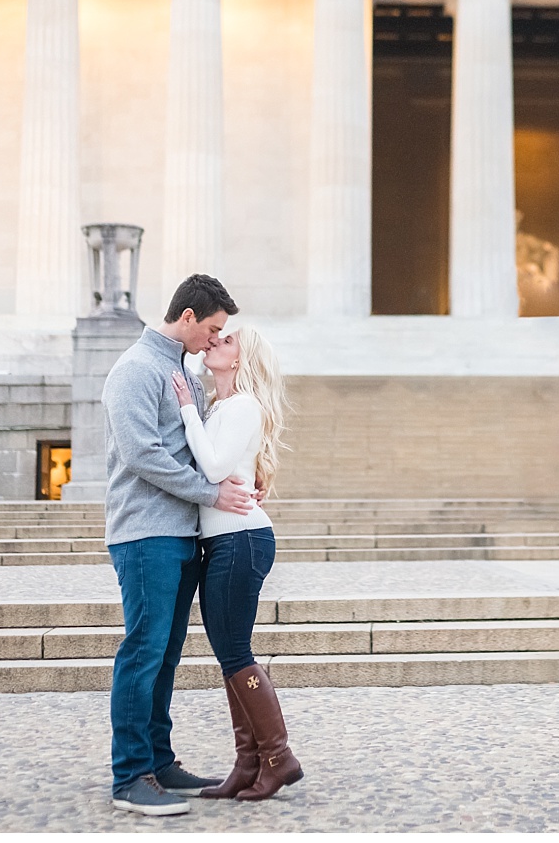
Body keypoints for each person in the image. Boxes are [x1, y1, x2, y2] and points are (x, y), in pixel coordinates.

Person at [101, 274, 259, 817]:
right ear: (188, 317)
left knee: (165, 655)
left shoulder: (180, 370)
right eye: (212, 328)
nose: (213, 340)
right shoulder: (135, 370)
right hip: (145, 533)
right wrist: (212, 493)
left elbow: (199, 448)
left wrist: (239, 480)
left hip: (181, 534)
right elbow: (143, 455)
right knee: (143, 651)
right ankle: (129, 777)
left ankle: (159, 761)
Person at [173, 317, 303, 801]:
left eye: (224, 340)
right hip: (226, 541)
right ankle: (248, 763)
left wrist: (187, 409)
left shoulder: (243, 405)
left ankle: (278, 757)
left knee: (235, 654)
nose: (213, 343)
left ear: (241, 358)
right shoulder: (223, 406)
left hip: (241, 540)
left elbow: (213, 467)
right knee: (231, 654)